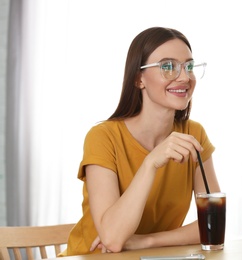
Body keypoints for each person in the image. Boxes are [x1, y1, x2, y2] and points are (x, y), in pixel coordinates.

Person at [64, 26, 221, 256]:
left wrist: (145, 242)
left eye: (189, 66)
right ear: (139, 79)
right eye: (168, 66)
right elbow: (113, 239)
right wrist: (151, 163)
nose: (185, 77)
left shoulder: (194, 134)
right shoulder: (103, 137)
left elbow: (213, 225)